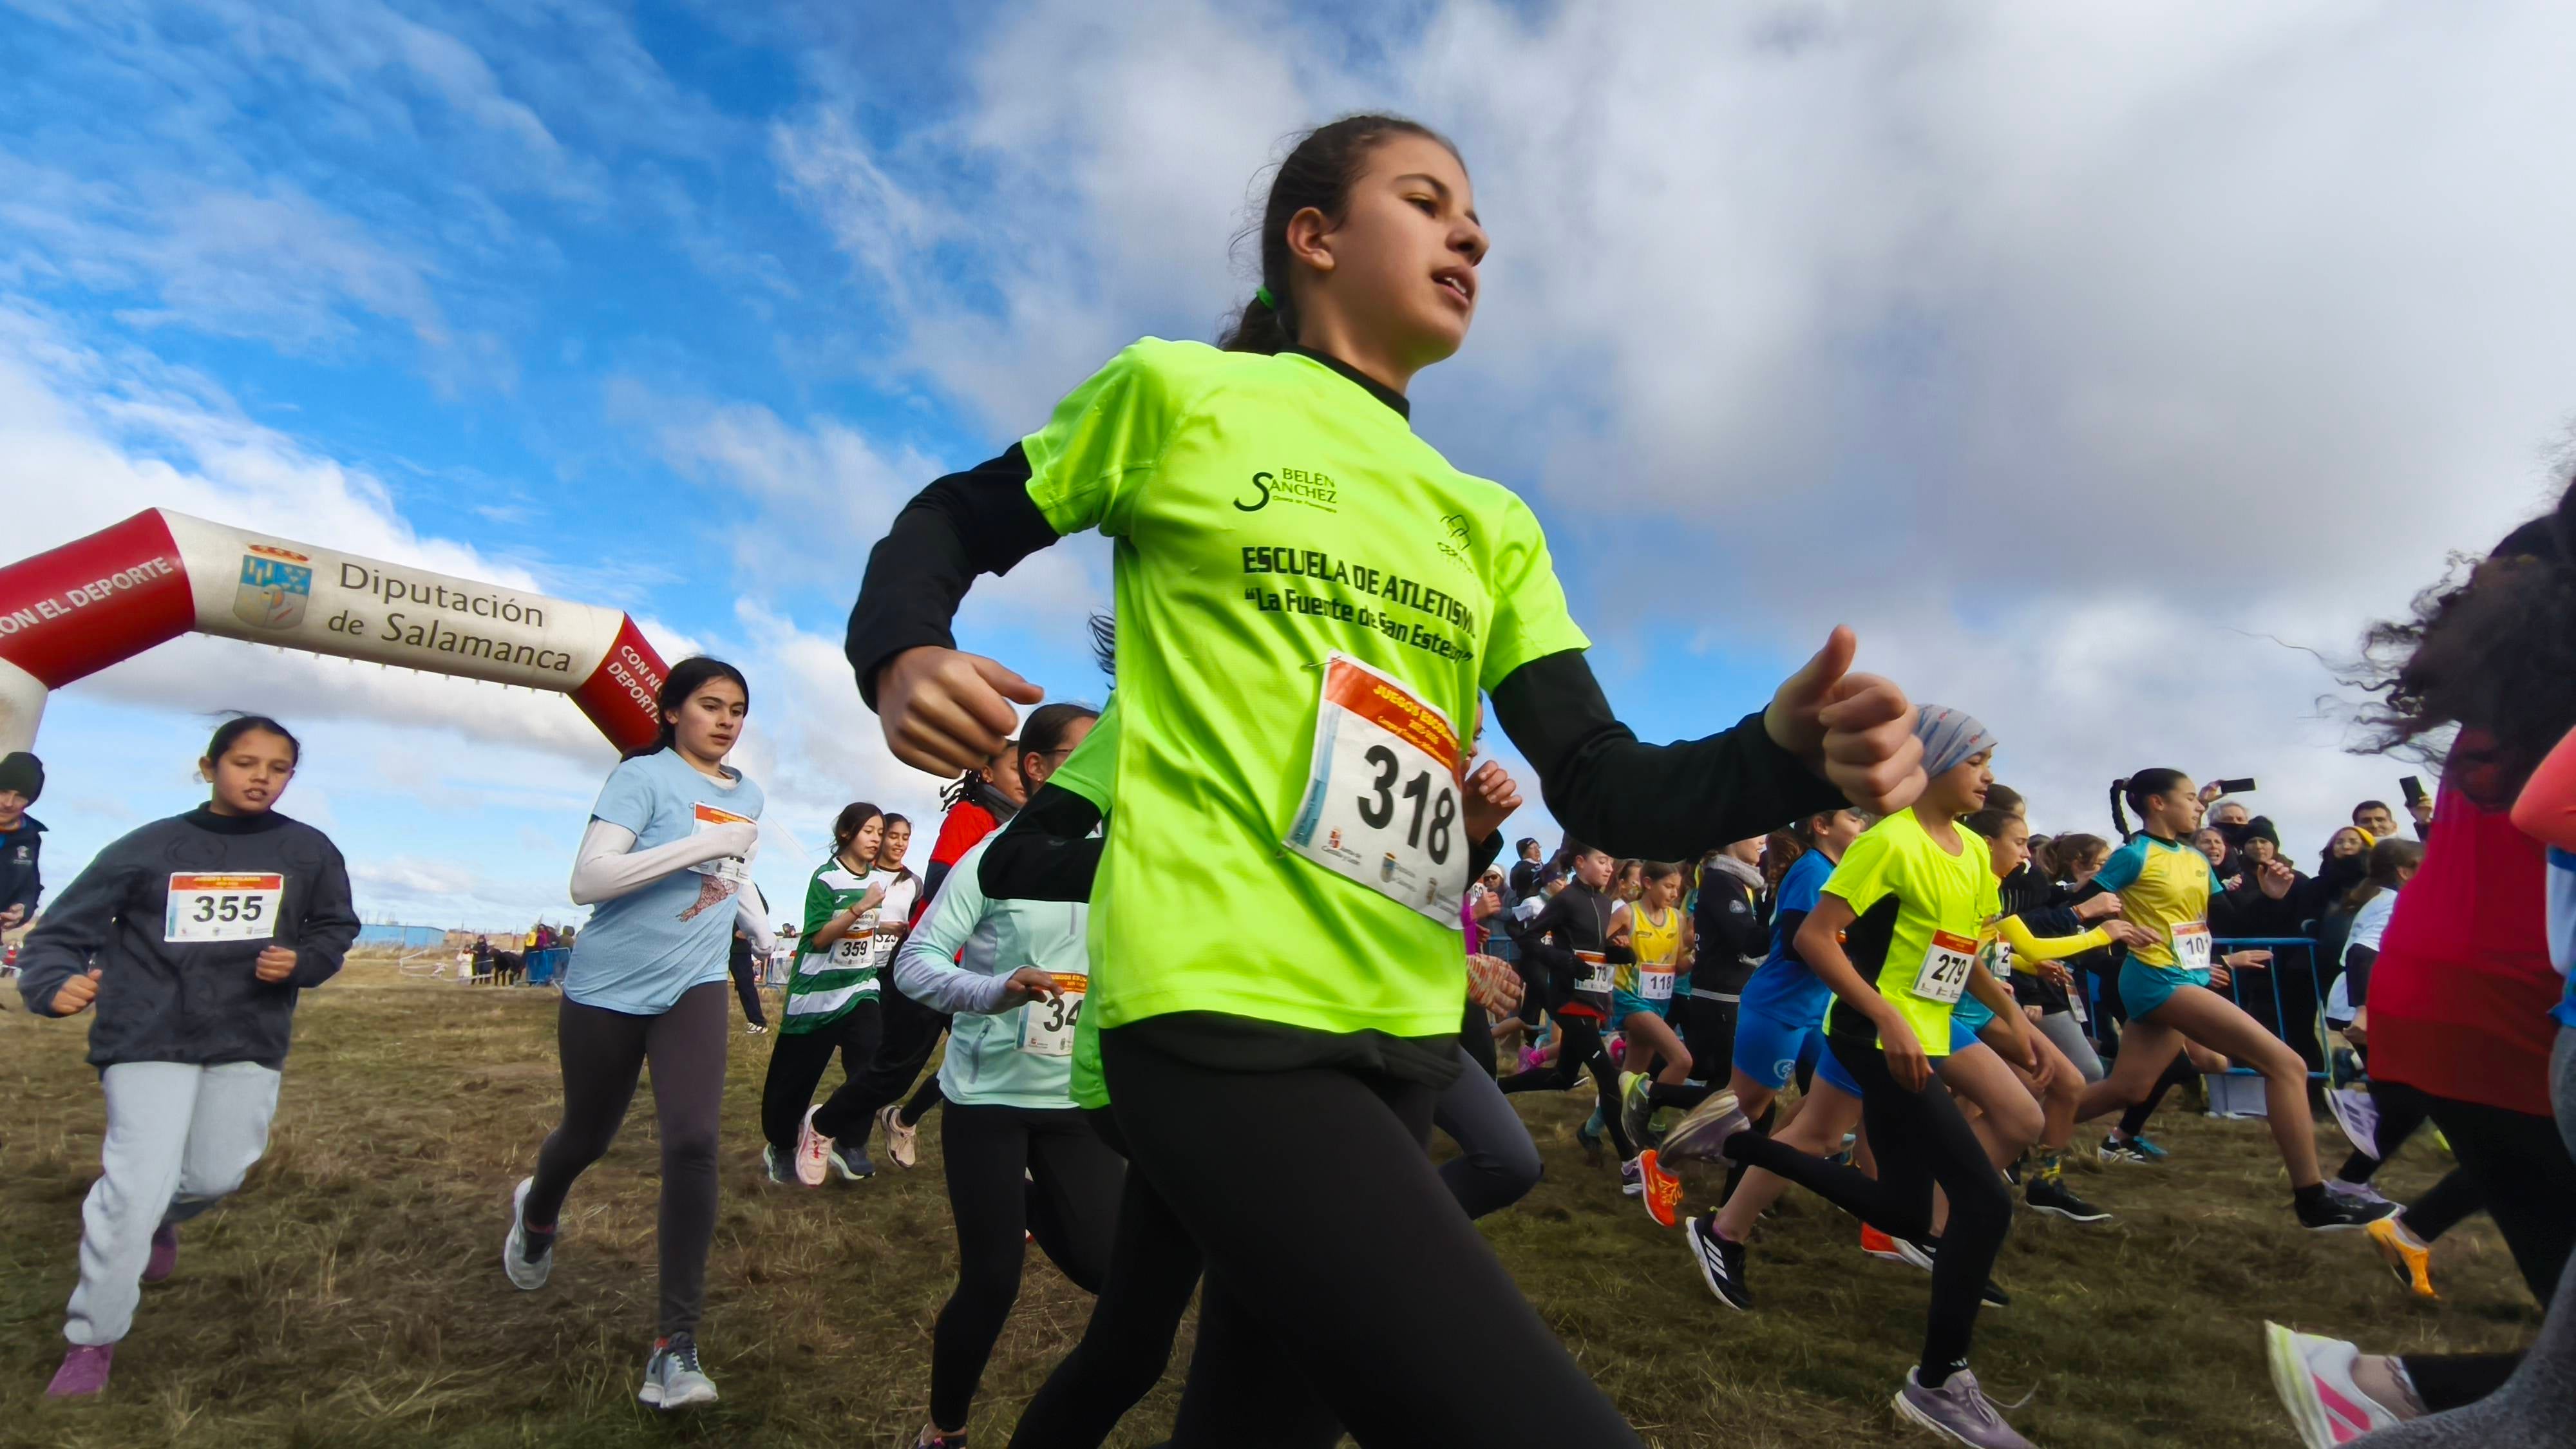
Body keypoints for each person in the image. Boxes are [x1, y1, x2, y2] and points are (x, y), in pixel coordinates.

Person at [844, 112, 1924, 1446]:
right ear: (1314, 239)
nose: (1469, 232)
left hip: (1401, 1037)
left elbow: (1603, 784)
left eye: (1472, 215)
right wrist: (899, 647)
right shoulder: (1180, 395)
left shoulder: (1489, 521)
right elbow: (954, 514)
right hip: (1216, 1009)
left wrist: (1773, 755)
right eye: (1425, 201)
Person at [1713, 708, 2121, 1446]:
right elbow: (1813, 938)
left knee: (1902, 1213)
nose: (1988, 778)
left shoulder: (1969, 851)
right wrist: (1887, 1017)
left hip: (1928, 1036)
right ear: (1931, 764)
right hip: (1876, 1038)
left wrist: (2016, 1020)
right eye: (1977, 762)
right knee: (1984, 1205)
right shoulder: (1886, 843)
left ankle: (1737, 1143)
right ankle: (1939, 1382)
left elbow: (1959, 952)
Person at [20, 717, 357, 1397]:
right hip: (145, 1033)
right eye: (244, 762)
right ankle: (92, 1342)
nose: (261, 776)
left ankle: (166, 1218)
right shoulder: (148, 847)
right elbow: (60, 931)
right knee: (131, 1188)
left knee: (215, 1175)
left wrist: (305, 961)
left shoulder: (310, 851)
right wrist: (54, 985)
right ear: (209, 768)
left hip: (247, 1037)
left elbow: (333, 928)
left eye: (279, 767)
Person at [499, 656, 772, 1412]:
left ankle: (674, 1349)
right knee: (587, 1136)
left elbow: (731, 868)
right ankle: (540, 1209)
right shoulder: (642, 778)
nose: (725, 720)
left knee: (693, 1143)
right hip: (609, 986)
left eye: (737, 708)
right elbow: (589, 881)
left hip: (694, 983)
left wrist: (753, 919)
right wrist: (699, 848)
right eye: (710, 705)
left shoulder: (746, 793)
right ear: (672, 710)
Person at [891, 704, 1119, 1449]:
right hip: (987, 1099)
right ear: (1039, 768)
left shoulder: (1127, 859)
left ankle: (1023, 1190)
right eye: (1090, 757)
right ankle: (944, 1430)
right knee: (992, 1284)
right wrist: (993, 989)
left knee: (1105, 1271)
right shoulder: (991, 857)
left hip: (1074, 1099)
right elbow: (915, 963)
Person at [2073, 770, 2391, 1229]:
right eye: (2189, 798)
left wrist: (2273, 899)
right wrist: (2108, 933)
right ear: (2157, 804)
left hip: (2186, 975)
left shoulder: (2195, 859)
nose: (2198, 806)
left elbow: (2226, 918)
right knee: (2287, 1065)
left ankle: (2021, 1131)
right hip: (2155, 978)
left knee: (2129, 1089)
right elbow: (2077, 910)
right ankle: (2313, 1198)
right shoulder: (2132, 856)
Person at [761, 801, 910, 1184]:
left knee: (869, 1066)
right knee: (795, 1078)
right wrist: (860, 909)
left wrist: (884, 927)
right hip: (816, 994)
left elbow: (861, 932)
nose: (877, 839)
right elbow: (821, 938)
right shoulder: (826, 879)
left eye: (881, 832)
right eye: (869, 831)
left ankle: (851, 1143)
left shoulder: (877, 881)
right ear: (846, 834)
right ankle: (780, 1145)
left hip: (860, 988)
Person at [0, 750, 47, 932]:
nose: (9, 803)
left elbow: (31, 889)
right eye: (3, 791)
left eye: (19, 796)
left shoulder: (30, 838)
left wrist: (22, 910)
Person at [728, 925, 770, 1035]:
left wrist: (746, 929)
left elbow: (763, 908)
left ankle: (759, 1023)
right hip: (717, 946)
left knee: (745, 986)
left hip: (738, 948)